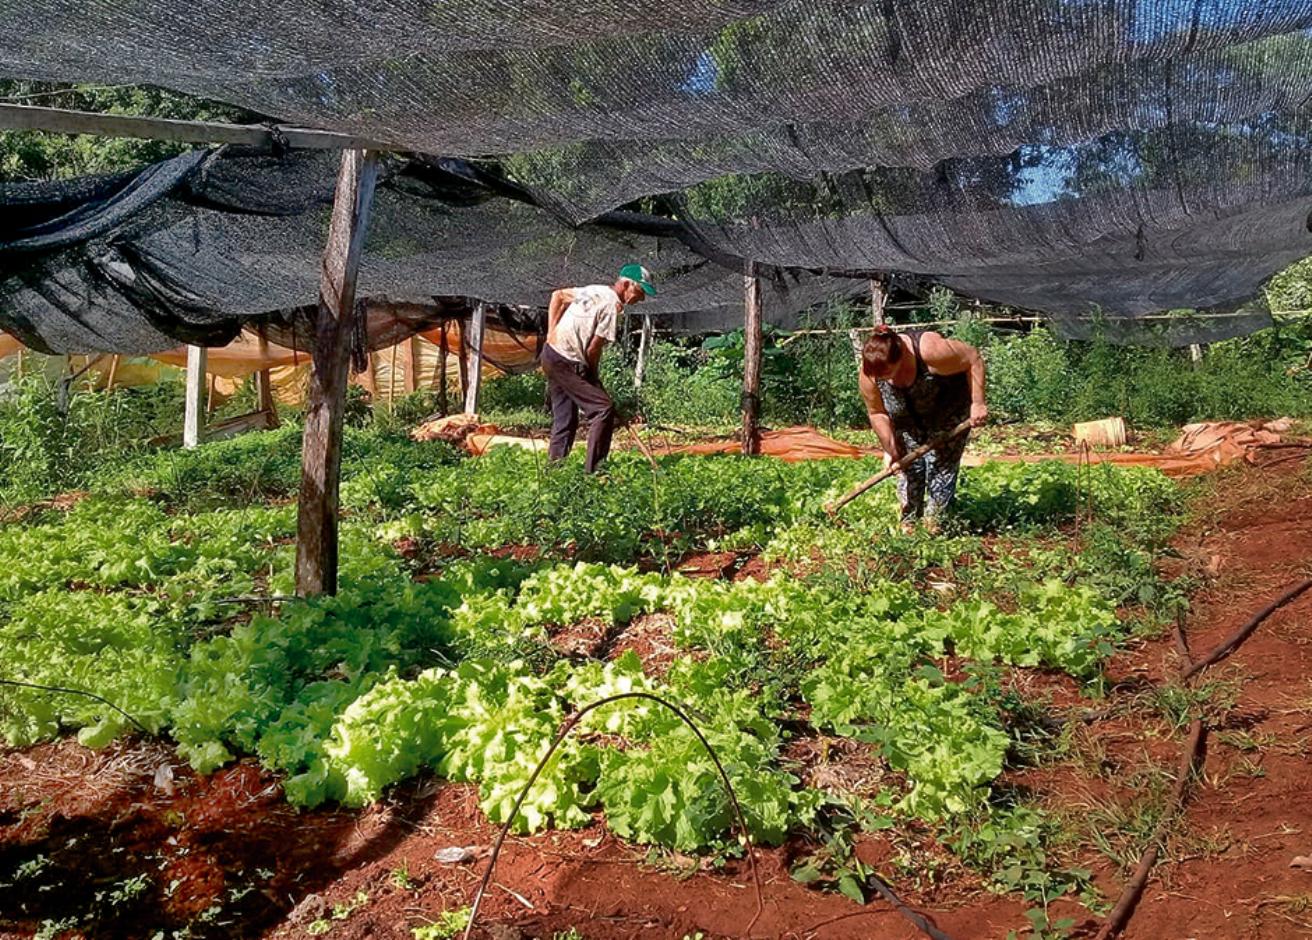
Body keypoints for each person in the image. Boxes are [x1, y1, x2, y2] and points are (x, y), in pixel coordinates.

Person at [857, 326, 988, 529]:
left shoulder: (931, 351)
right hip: (908, 420)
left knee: (940, 467)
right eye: (878, 378)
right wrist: (890, 450)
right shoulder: (870, 373)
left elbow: (973, 357)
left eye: (887, 374)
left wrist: (978, 402)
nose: (883, 380)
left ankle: (934, 523)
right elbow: (877, 413)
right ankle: (909, 522)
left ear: (900, 358)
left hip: (948, 413)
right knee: (908, 468)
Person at [541, 263, 655, 472]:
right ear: (627, 284)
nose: (641, 299)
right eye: (639, 292)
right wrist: (593, 376)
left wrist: (551, 334)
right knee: (603, 409)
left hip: (551, 355)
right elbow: (593, 349)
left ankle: (554, 472)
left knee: (565, 417)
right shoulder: (612, 307)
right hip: (567, 361)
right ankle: (595, 472)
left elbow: (558, 295)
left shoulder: (595, 290)